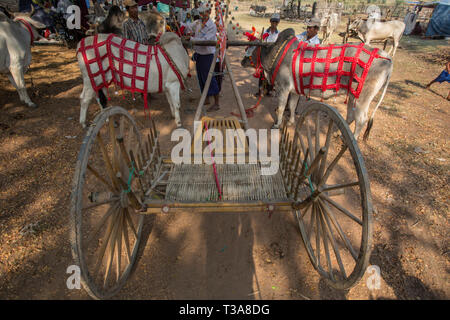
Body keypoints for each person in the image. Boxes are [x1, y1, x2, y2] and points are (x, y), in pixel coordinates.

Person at [188, 4, 221, 112]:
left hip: (207, 55)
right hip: (199, 54)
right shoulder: (198, 23)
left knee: (209, 78)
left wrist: (192, 39)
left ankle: (216, 103)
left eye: (204, 13)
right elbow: (189, 27)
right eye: (201, 13)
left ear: (209, 12)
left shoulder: (212, 26)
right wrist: (183, 27)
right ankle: (206, 98)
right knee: (201, 78)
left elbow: (205, 41)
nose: (202, 15)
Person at [255, 13, 280, 97]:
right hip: (265, 55)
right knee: (262, 74)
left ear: (278, 23)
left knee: (270, 74)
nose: (274, 24)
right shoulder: (265, 32)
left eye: (276, 22)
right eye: (273, 21)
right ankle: (260, 90)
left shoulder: (279, 34)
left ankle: (268, 90)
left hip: (273, 57)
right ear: (270, 22)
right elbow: (262, 43)